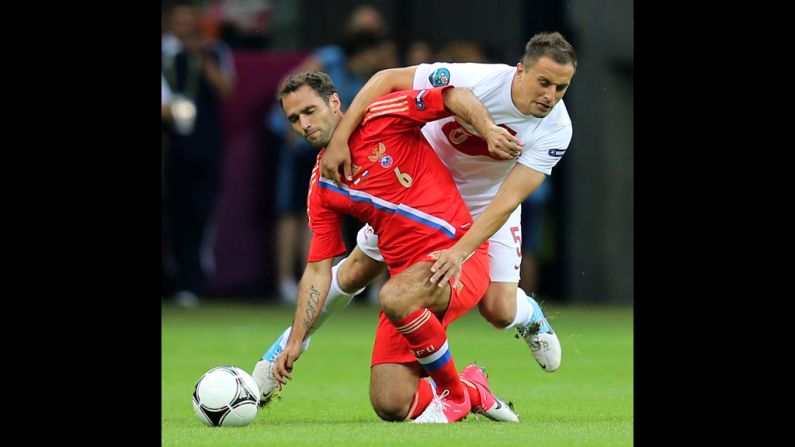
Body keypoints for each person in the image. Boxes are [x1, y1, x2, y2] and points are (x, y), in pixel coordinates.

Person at [254, 31, 575, 403]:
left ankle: (529, 317)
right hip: (422, 189)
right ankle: (283, 350)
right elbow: (387, 79)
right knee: (356, 270)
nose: (550, 95)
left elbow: (507, 200)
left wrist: (459, 252)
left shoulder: (557, 129)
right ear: (521, 72)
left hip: (485, 204)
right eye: (544, 82)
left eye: (561, 88)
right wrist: (341, 137)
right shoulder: (481, 80)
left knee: (499, 310)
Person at [270, 71, 520, 423]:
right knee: (391, 404)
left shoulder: (382, 116)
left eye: (310, 111)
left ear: (335, 103)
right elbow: (317, 270)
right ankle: (473, 388)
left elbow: (451, 96)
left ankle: (454, 395)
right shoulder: (323, 187)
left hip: (457, 257)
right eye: (294, 119)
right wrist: (295, 340)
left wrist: (489, 129)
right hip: (408, 284)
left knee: (393, 296)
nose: (304, 124)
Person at [161, 1, 235, 307]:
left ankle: (194, 282)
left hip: (204, 144)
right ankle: (174, 281)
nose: (183, 25)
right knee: (173, 214)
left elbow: (226, 90)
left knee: (200, 213)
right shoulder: (164, 52)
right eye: (177, 20)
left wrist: (202, 56)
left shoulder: (214, 50)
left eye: (188, 19)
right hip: (170, 145)